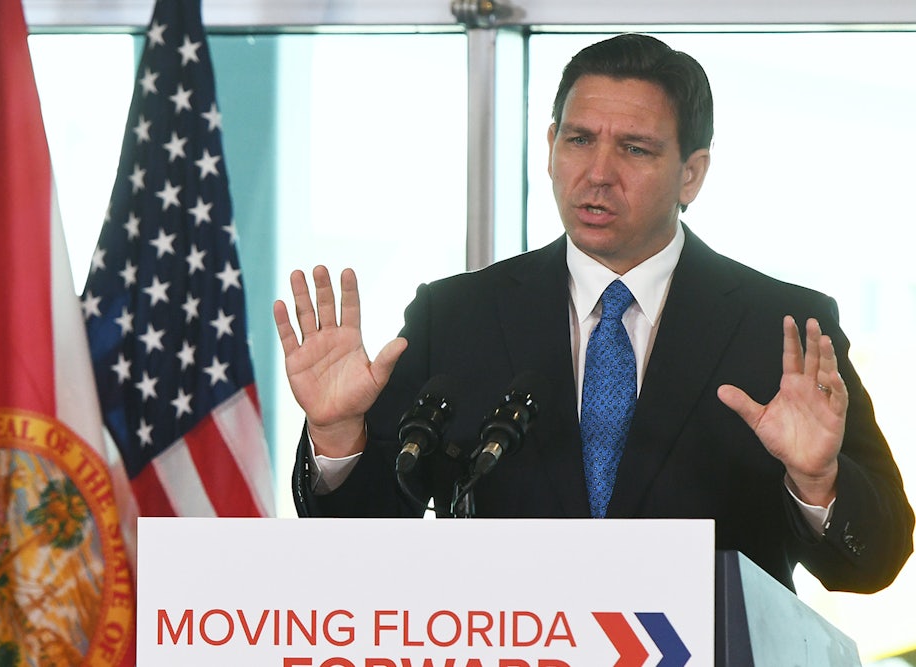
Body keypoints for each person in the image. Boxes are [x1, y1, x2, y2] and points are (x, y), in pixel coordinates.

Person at [272, 33, 913, 593]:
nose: (598, 173)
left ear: (691, 174)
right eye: (579, 140)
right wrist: (338, 434)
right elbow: (364, 540)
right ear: (551, 145)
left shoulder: (783, 328)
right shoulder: (457, 316)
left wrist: (817, 481)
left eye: (635, 149)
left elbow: (877, 560)